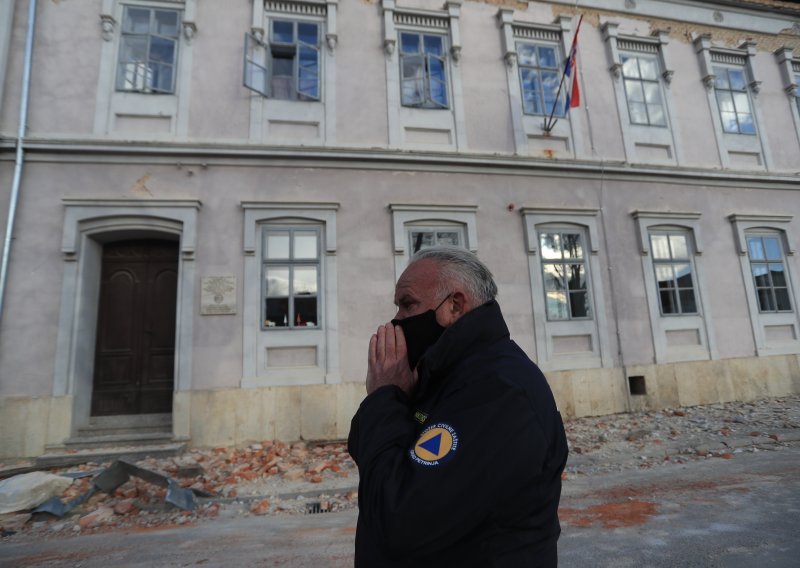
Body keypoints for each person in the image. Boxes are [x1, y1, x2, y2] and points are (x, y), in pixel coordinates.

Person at [348, 246, 569, 567]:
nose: (396, 320)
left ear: (454, 305)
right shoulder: (441, 374)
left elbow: (401, 520)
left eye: (407, 305)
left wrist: (385, 398)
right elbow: (375, 459)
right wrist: (394, 398)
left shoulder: (498, 391)